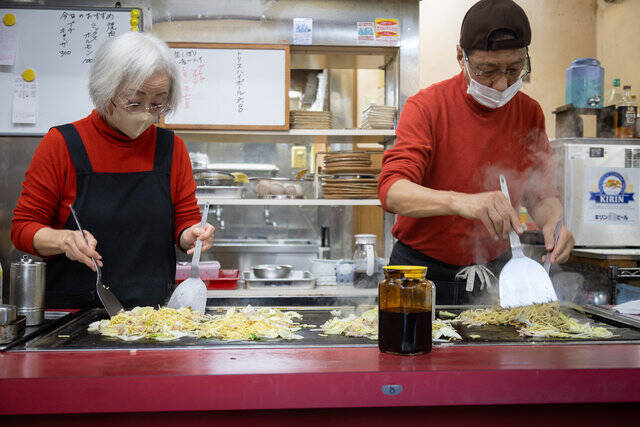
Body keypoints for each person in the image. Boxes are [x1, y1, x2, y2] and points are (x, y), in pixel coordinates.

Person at [378, 0, 575, 304]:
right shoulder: (427, 107)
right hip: (419, 272)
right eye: (487, 70)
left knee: (499, 349)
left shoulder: (529, 113)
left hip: (498, 271)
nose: (501, 84)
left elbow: (542, 194)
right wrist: (461, 202)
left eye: (514, 69)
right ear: (461, 57)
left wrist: (554, 224)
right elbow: (392, 191)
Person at [11, 32, 213, 309]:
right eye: (134, 101)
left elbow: (185, 221)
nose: (145, 112)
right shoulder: (62, 143)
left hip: (152, 317)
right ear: (106, 91)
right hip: (71, 317)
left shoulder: (171, 148)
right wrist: (64, 239)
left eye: (157, 103)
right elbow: (23, 228)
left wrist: (191, 235)